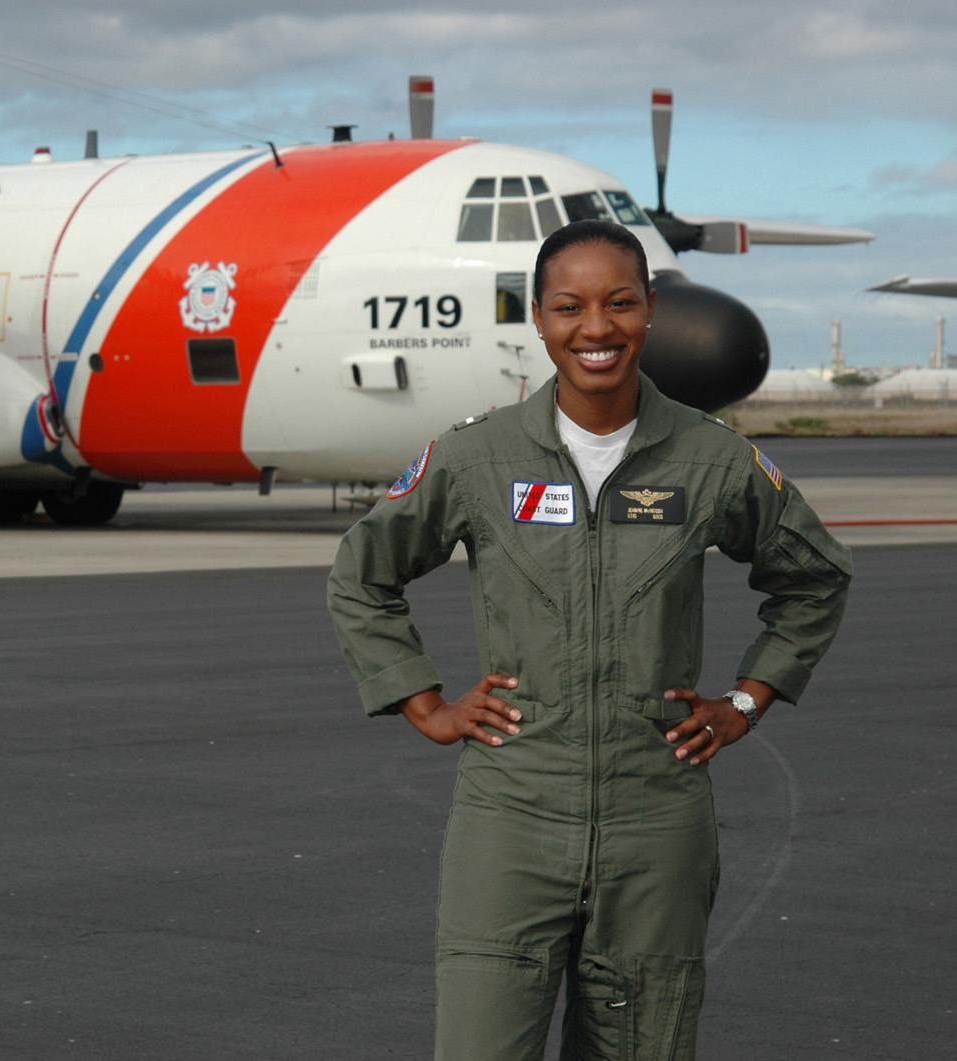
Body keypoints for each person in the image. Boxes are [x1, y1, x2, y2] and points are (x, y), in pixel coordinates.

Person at [327, 219, 851, 1060]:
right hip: (512, 814)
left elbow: (817, 576)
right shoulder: (475, 458)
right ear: (537, 317)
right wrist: (421, 701)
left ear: (650, 314)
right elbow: (362, 572)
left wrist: (749, 698)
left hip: (658, 820)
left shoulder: (713, 460)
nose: (595, 328)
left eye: (620, 303)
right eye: (569, 306)